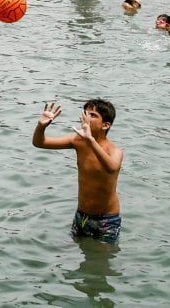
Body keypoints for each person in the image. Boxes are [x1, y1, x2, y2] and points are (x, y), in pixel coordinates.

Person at [31, 100, 123, 244]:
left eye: (93, 115)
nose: (86, 117)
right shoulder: (78, 141)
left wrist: (90, 140)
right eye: (85, 113)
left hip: (106, 219)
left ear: (106, 125)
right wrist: (41, 126)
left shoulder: (114, 150)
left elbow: (111, 168)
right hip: (81, 215)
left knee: (101, 262)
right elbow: (39, 143)